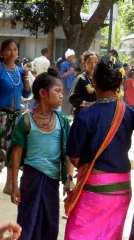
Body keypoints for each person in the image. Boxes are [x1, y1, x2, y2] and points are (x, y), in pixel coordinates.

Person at [65, 57, 132, 240]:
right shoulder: (128, 112)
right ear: (120, 83)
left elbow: (74, 157)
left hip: (95, 187)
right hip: (122, 188)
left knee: (78, 233)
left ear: (93, 80)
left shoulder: (85, 115)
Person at [11, 68, 72, 240]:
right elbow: (16, 154)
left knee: (49, 223)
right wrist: (14, 184)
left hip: (52, 180)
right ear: (43, 93)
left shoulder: (62, 121)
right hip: (31, 178)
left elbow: (67, 152)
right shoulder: (25, 121)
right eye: (58, 91)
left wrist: (68, 178)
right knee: (27, 221)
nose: (62, 95)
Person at [0, 39, 32, 195]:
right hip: (0, 115)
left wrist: (26, 75)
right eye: (8, 49)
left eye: (15, 49)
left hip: (17, 116)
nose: (12, 52)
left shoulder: (20, 71)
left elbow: (26, 93)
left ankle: (10, 184)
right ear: (2, 53)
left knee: (15, 149)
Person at [68, 51, 99, 116]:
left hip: (95, 115)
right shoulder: (81, 79)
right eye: (90, 62)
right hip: (83, 115)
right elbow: (72, 98)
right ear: (84, 63)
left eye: (96, 62)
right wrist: (88, 104)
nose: (93, 65)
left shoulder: (99, 79)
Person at [59, 48, 76, 116]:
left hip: (71, 85)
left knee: (70, 99)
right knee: (66, 100)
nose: (74, 57)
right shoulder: (64, 64)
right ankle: (64, 114)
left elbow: (70, 74)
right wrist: (69, 72)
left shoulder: (71, 64)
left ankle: (69, 113)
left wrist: (73, 73)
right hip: (66, 85)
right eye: (73, 56)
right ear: (68, 57)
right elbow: (61, 75)